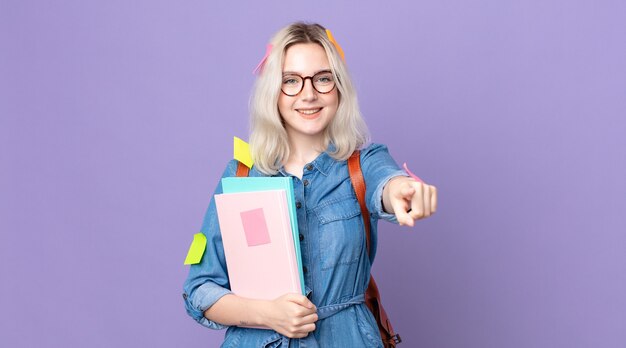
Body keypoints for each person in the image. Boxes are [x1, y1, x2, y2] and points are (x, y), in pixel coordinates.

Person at [183, 22, 437, 347]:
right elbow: (199, 288)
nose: (308, 93)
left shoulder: (363, 164)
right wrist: (267, 314)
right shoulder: (241, 175)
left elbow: (387, 185)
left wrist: (403, 192)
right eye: (291, 80)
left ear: (339, 87)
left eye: (323, 78)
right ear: (273, 92)